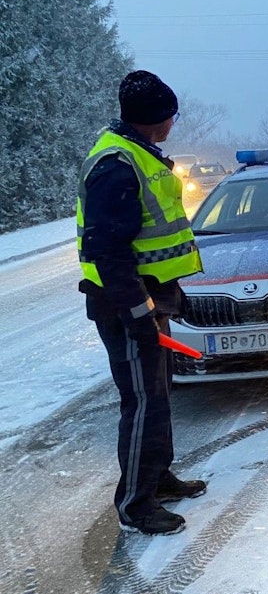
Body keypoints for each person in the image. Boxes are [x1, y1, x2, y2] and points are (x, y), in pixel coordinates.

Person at [76, 70, 206, 536]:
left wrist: (172, 295)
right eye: (171, 115)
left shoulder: (137, 155)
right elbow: (107, 252)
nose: (174, 122)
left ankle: (157, 478)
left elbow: (153, 244)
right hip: (125, 308)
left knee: (158, 396)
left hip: (150, 301)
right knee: (143, 402)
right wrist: (140, 314)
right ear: (160, 120)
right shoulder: (117, 164)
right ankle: (135, 504)